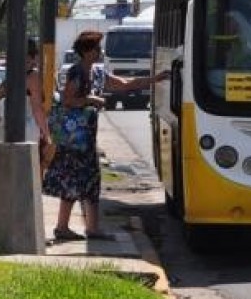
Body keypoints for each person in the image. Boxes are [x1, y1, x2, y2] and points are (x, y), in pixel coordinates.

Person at [43, 30, 168, 241]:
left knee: (86, 182)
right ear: (86, 51)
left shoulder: (98, 73)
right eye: (96, 48)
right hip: (74, 139)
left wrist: (155, 79)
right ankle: (72, 228)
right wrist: (91, 100)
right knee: (78, 182)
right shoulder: (76, 72)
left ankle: (82, 228)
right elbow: (67, 100)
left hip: (86, 139)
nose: (100, 52)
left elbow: (126, 84)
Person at [0, 38, 51, 144]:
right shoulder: (33, 77)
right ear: (32, 56)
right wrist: (47, 134)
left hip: (6, 131)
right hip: (28, 131)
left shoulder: (10, 79)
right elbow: (37, 109)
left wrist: (1, 123)